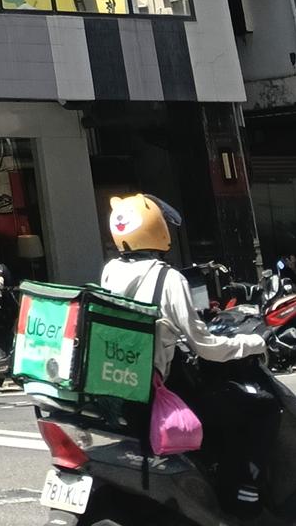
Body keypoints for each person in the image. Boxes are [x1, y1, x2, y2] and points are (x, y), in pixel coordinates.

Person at [101, 193, 270, 505]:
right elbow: (205, 347)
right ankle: (241, 495)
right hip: (159, 387)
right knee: (249, 408)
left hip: (124, 384)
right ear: (157, 229)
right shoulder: (169, 278)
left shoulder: (111, 270)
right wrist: (253, 344)